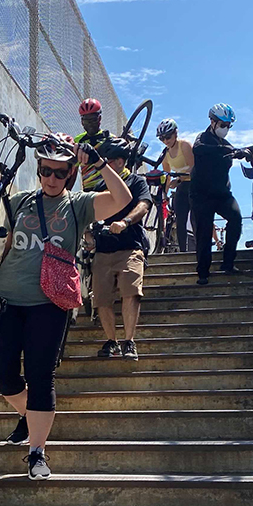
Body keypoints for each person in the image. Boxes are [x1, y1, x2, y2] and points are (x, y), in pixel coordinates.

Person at [0, 135, 132, 478]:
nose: (51, 179)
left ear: (70, 174)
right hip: (5, 298)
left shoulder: (78, 205)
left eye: (60, 173)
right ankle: (27, 415)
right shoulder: (20, 201)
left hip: (49, 304)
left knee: (40, 376)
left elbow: (122, 199)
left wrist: (96, 160)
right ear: (39, 169)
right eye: (46, 171)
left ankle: (37, 452)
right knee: (3, 375)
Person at [91, 136, 151, 360]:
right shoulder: (99, 186)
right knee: (102, 299)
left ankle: (129, 341)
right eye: (107, 159)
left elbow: (144, 205)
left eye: (114, 159)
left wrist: (125, 222)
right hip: (103, 250)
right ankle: (111, 341)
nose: (109, 163)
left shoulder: (136, 182)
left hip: (129, 247)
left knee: (131, 292)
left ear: (123, 161)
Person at [189, 104, 253, 284]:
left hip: (222, 194)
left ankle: (228, 263)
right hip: (201, 195)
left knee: (236, 218)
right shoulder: (202, 139)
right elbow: (199, 149)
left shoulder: (227, 144)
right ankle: (203, 273)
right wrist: (230, 151)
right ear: (212, 122)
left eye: (229, 125)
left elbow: (240, 151)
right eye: (223, 124)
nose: (226, 129)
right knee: (204, 232)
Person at [157, 119, 195, 253]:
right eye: (162, 138)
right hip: (182, 186)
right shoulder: (165, 154)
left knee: (196, 218)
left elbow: (194, 168)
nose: (166, 141)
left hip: (194, 184)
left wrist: (179, 179)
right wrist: (164, 195)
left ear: (175, 133)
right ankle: (183, 251)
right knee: (180, 220)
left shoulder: (184, 145)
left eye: (168, 137)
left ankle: (200, 249)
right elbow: (167, 176)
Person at [75, 98, 112, 192]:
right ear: (82, 122)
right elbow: (73, 168)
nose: (90, 124)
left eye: (93, 120)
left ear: (99, 118)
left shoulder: (110, 138)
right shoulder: (77, 140)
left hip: (107, 187)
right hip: (87, 190)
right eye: (86, 121)